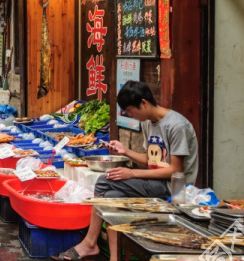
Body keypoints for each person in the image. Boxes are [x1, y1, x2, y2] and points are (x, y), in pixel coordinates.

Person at [58, 81, 198, 261]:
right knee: (110, 197)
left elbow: (175, 171)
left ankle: (90, 243)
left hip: (174, 189)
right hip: (156, 183)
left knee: (103, 181)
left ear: (144, 103)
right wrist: (126, 152)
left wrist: (131, 173)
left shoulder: (176, 126)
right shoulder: (149, 123)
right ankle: (112, 257)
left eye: (131, 111)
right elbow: (152, 161)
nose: (130, 115)